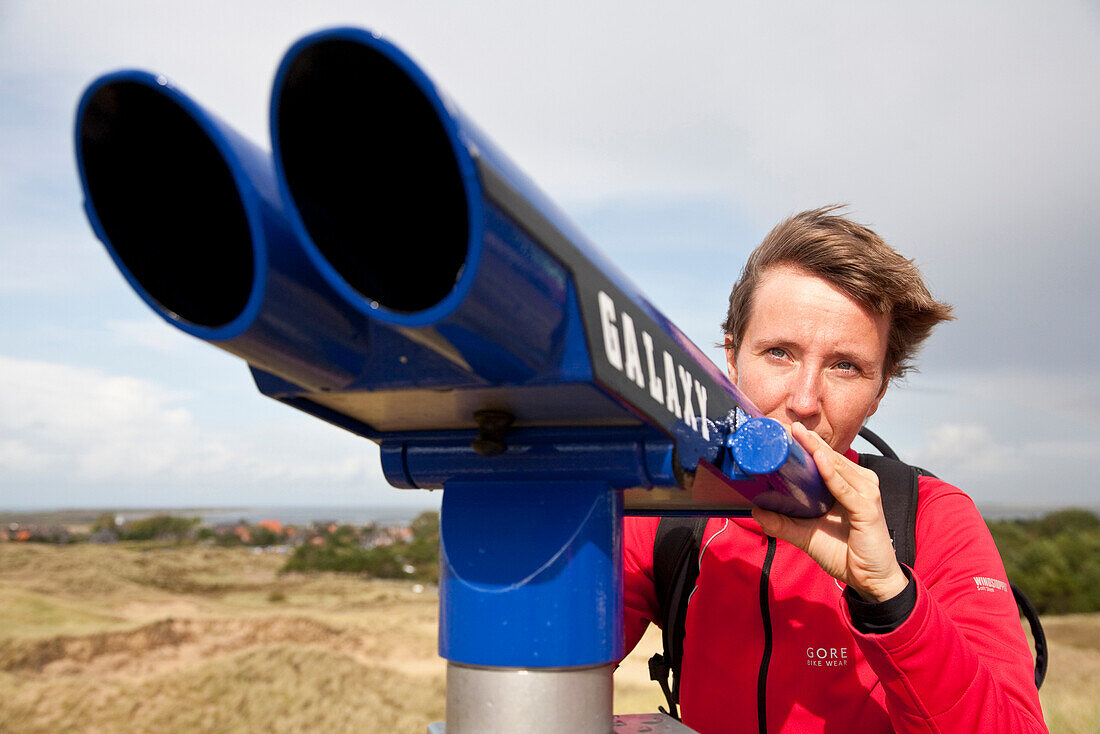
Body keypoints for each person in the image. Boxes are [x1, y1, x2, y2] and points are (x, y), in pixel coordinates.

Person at [621, 207, 1048, 733]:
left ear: (879, 391)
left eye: (845, 366)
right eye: (778, 353)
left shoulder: (930, 518)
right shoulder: (672, 509)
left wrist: (890, 595)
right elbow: (539, 663)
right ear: (732, 360)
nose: (804, 401)